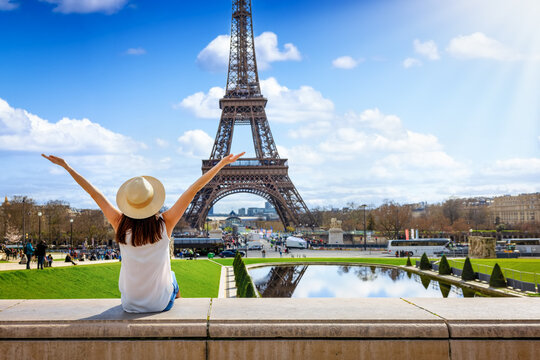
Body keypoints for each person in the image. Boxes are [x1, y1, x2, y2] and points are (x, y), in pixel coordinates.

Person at [42, 152, 244, 313]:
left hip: (129, 304)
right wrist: (221, 164)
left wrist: (67, 167)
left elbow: (94, 193)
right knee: (172, 277)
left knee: (169, 277)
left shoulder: (119, 223)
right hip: (160, 304)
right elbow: (194, 190)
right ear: (153, 200)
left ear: (129, 203)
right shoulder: (165, 223)